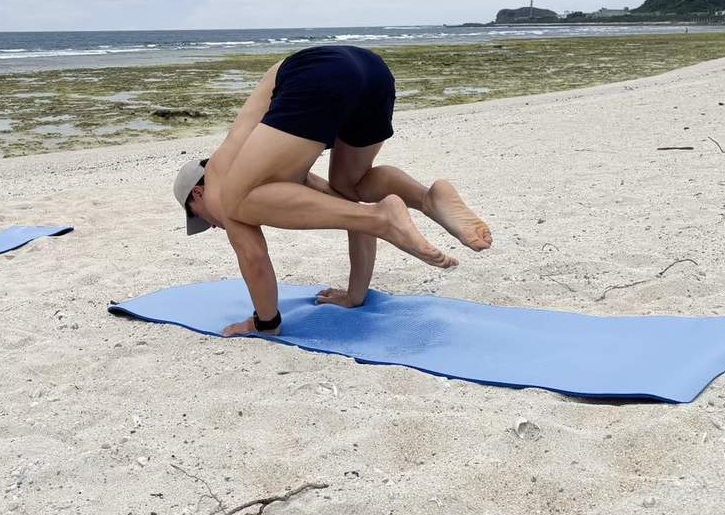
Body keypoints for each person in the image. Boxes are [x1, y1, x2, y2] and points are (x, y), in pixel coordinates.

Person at [172, 45, 491, 337]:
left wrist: (265, 324)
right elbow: (348, 209)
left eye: (201, 218)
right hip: (371, 71)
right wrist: (355, 295)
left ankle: (387, 215)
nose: (212, 225)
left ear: (197, 195)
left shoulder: (218, 180)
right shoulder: (269, 169)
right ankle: (427, 198)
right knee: (351, 186)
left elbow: (254, 258)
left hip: (313, 71)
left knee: (236, 202)